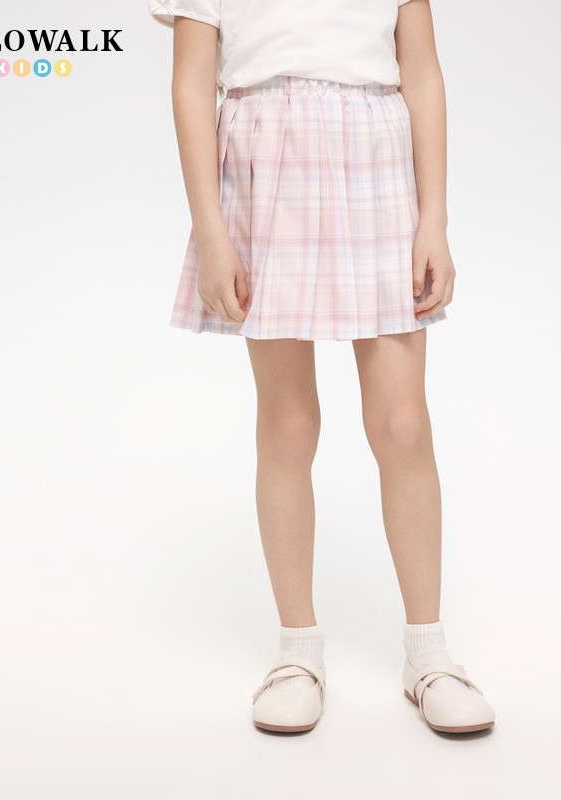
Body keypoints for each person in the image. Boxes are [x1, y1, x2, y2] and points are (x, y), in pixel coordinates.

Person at [148, 0, 496, 735]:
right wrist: (211, 231)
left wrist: (434, 219)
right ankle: (297, 654)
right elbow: (191, 84)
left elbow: (422, 74)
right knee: (287, 424)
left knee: (402, 424)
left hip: (376, 164)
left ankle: (429, 655)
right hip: (263, 166)